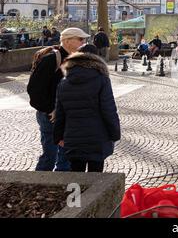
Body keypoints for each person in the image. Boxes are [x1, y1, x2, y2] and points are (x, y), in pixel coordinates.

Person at [27, 27, 90, 172]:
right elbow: (34, 90)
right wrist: (51, 110)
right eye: (80, 39)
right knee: (50, 155)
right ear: (67, 41)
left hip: (69, 117)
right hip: (50, 116)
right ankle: (39, 186)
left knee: (66, 157)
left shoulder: (77, 60)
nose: (84, 42)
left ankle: (61, 189)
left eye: (85, 39)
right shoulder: (51, 59)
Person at [53, 44, 120, 173]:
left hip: (73, 138)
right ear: (96, 58)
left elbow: (60, 113)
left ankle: (77, 194)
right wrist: (114, 133)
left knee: (76, 177)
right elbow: (109, 110)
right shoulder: (102, 79)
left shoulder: (64, 82)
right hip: (97, 137)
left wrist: (58, 136)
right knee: (95, 178)